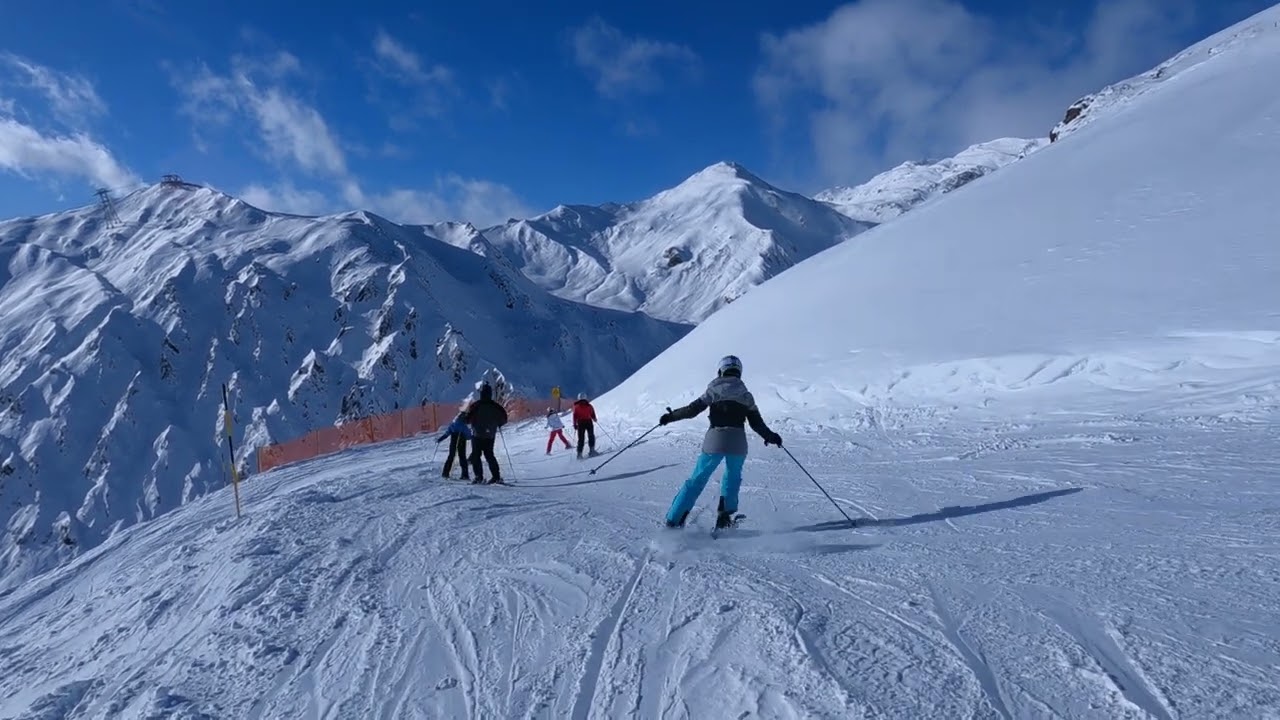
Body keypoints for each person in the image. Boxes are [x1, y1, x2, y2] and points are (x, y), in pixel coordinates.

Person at [658, 355, 782, 529]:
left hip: (714, 439)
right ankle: (724, 520)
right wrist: (770, 436)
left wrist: (670, 417)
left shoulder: (713, 390)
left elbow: (692, 410)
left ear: (721, 370)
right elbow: (756, 423)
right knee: (732, 478)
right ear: (739, 372)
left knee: (697, 480)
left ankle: (674, 520)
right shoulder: (746, 395)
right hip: (737, 442)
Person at [463, 383, 509, 483]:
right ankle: (496, 477)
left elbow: (467, 419)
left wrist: (468, 420)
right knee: (489, 455)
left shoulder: (476, 405)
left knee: (476, 455)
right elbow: (504, 419)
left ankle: (479, 477)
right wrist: (498, 423)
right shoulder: (496, 406)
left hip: (477, 435)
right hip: (490, 435)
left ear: (481, 394)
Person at [435, 412, 472, 480]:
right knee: (462, 457)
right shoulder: (464, 426)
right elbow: (469, 436)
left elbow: (447, 433)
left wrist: (440, 439)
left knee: (451, 456)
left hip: (453, 441)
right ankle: (465, 475)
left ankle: (445, 473)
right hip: (461, 442)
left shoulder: (453, 424)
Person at [572, 392, 598, 458]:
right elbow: (592, 412)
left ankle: (579, 454)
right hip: (588, 422)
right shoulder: (589, 405)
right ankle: (592, 451)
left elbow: (575, 416)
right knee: (591, 436)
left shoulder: (576, 406)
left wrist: (575, 424)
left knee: (581, 438)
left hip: (581, 423)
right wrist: (594, 418)